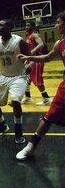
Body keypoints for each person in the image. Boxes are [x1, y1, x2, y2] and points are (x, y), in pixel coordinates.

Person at [16, 11, 65, 160]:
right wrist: (30, 57)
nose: (56, 25)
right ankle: (31, 146)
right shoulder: (60, 43)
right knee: (49, 115)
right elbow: (48, 57)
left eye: (58, 22)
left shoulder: (35, 36)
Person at [0, 19, 33, 144]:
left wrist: (30, 64)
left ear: (9, 28)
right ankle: (3, 126)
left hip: (19, 76)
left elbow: (30, 57)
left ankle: (18, 131)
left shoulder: (19, 41)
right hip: (3, 75)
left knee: (16, 102)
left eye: (1, 25)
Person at [21, 20, 52, 106]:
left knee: (38, 80)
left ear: (33, 26)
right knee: (26, 78)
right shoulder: (28, 36)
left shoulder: (35, 35)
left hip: (36, 60)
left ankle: (46, 98)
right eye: (26, 25)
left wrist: (33, 51)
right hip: (30, 59)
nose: (26, 27)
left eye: (28, 25)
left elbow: (41, 44)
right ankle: (27, 97)